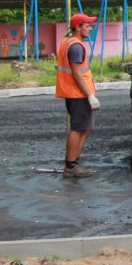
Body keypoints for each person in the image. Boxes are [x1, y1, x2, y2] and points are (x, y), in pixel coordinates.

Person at [55, 13, 100, 178]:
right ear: (78, 27)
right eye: (87, 26)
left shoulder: (68, 42)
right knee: (78, 128)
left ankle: (74, 163)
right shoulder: (76, 47)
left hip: (75, 93)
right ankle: (71, 165)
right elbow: (77, 74)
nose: (90, 29)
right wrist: (90, 95)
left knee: (84, 128)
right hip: (78, 94)